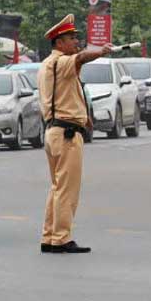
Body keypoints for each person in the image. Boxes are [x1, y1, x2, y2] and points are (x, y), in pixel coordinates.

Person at [37, 14, 109, 254]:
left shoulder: (51, 65)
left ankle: (49, 237)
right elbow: (81, 58)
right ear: (59, 43)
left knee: (58, 187)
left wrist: (84, 116)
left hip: (57, 130)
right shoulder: (60, 62)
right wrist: (100, 51)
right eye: (71, 38)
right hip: (65, 134)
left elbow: (67, 95)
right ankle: (61, 238)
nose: (76, 42)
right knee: (67, 189)